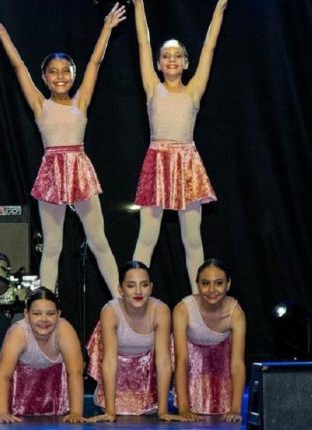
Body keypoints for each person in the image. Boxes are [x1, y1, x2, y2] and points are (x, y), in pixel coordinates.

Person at [0, 5, 126, 298]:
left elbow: (96, 63)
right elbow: (19, 67)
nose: (60, 77)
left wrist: (107, 30)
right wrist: (4, 35)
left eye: (66, 71)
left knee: (98, 240)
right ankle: (45, 303)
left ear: (73, 75)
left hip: (79, 169)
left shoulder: (80, 102)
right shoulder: (39, 104)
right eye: (53, 73)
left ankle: (119, 301)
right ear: (45, 78)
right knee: (53, 246)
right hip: (52, 172)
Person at [131, 0, 229, 294]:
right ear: (159, 63)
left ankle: (199, 300)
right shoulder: (152, 87)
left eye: (177, 56)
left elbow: (209, 47)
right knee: (147, 237)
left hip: (187, 164)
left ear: (187, 62)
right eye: (165, 56)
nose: (171, 59)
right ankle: (134, 294)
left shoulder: (194, 88)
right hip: (158, 162)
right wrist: (138, 6)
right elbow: (142, 43)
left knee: (192, 239)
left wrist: (219, 9)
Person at [85, 261, 185, 422]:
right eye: (131, 286)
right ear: (120, 289)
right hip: (116, 383)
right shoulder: (110, 311)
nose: (138, 291)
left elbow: (164, 360)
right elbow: (109, 360)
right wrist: (110, 412)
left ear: (151, 287)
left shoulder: (160, 310)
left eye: (144, 285)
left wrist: (163, 410)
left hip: (147, 385)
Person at [0, 288, 85, 424]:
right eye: (36, 314)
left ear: (58, 315)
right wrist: (2, 413)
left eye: (50, 314)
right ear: (26, 314)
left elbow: (75, 373)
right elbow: (4, 375)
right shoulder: (19, 333)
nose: (44, 320)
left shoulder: (64, 330)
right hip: (22, 386)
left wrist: (76, 412)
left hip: (56, 386)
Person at [172, 259, 246, 422]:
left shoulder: (236, 313)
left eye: (218, 283)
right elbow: (182, 360)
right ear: (197, 285)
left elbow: (237, 363)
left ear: (228, 284)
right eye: (205, 283)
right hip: (192, 363)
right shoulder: (183, 309)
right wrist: (183, 408)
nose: (212, 290)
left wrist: (235, 409)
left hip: (221, 363)